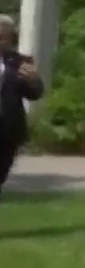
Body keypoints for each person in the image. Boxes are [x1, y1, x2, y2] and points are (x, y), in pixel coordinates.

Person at [0, 14, 45, 200]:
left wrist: (33, 80)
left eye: (4, 36)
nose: (1, 41)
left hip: (8, 131)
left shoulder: (19, 62)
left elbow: (35, 94)